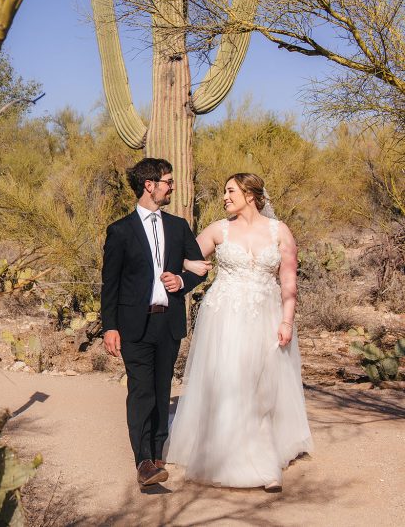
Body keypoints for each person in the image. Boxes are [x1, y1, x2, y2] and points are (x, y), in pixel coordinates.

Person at [165, 173, 313, 491]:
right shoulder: (220, 230)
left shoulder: (280, 231)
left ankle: (264, 455)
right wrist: (188, 270)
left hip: (266, 316)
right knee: (229, 382)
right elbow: (185, 257)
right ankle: (235, 457)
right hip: (224, 317)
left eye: (230, 191)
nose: (225, 197)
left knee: (262, 387)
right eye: (224, 191)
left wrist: (287, 321)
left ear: (250, 194)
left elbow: (289, 281)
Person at [101, 158, 207, 487]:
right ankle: (144, 462)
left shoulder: (178, 226)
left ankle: (158, 452)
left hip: (168, 322)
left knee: (162, 390)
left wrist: (182, 281)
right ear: (150, 185)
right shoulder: (120, 231)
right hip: (134, 324)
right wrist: (110, 326)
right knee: (142, 392)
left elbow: (200, 266)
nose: (172, 186)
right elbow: (111, 283)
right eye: (168, 181)